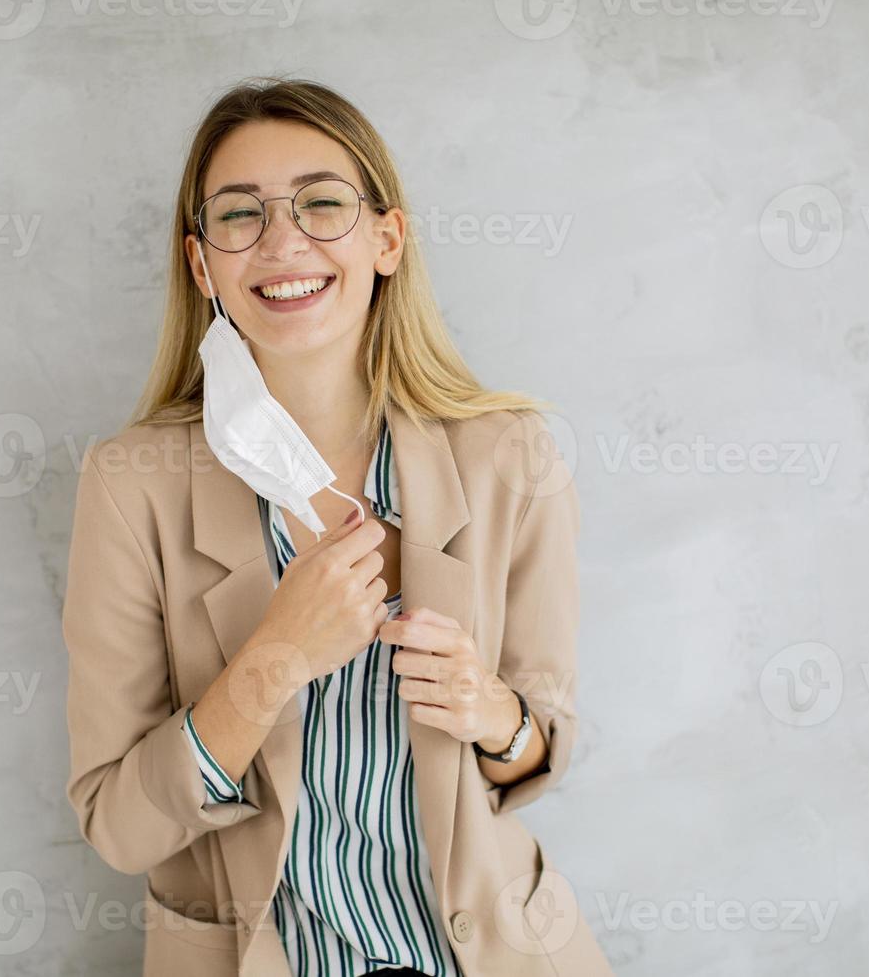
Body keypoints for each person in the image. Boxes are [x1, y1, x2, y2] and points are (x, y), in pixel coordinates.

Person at [62, 76, 614, 977]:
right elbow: (118, 823)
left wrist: (492, 712)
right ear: (203, 264)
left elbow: (539, 747)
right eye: (240, 215)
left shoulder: (511, 455)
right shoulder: (131, 486)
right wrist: (271, 662)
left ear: (387, 239)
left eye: (323, 204)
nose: (283, 241)